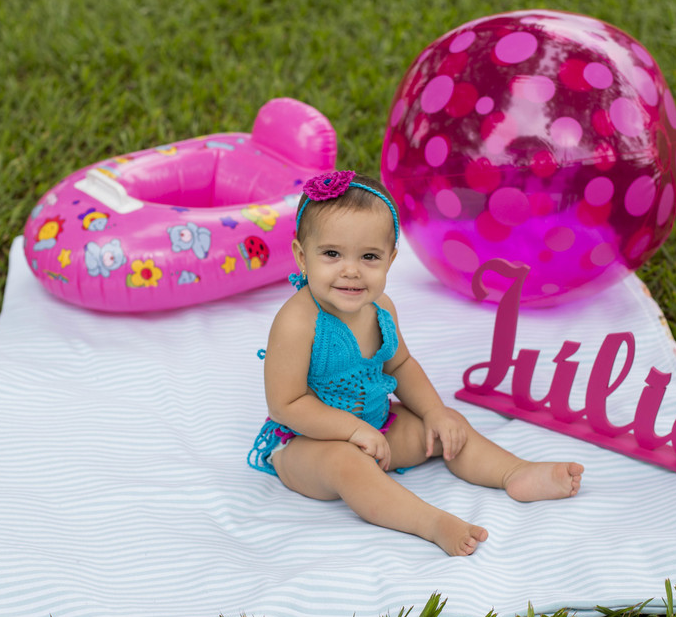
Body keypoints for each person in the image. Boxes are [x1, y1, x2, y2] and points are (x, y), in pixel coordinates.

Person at [247, 170, 583, 556]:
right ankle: (430, 522)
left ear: (390, 259)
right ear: (302, 257)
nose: (351, 270)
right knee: (345, 463)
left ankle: (514, 472)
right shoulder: (297, 322)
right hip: (308, 445)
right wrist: (352, 431)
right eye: (332, 254)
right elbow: (286, 404)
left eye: (369, 257)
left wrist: (434, 412)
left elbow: (401, 365)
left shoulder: (381, 309)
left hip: (378, 427)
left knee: (447, 427)